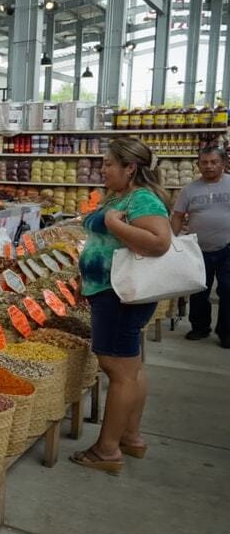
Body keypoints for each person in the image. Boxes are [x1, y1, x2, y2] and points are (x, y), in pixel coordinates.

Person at [70, 138, 172, 474]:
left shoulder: (141, 199)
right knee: (132, 369)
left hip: (119, 297)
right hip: (114, 293)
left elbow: (159, 242)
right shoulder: (122, 196)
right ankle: (130, 436)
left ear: (130, 168)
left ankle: (107, 450)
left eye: (109, 164)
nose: (103, 170)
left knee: (119, 372)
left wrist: (113, 223)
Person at [171, 146, 230, 348]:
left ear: (223, 163)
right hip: (197, 248)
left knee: (228, 290)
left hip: (228, 248)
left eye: (214, 162)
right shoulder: (189, 190)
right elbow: (178, 216)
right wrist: (172, 240)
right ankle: (199, 328)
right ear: (198, 165)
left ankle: (226, 332)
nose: (209, 166)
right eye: (204, 162)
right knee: (198, 289)